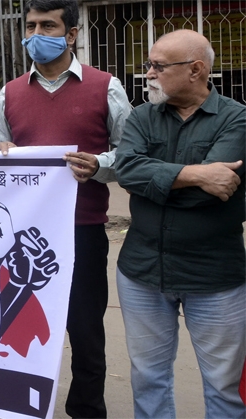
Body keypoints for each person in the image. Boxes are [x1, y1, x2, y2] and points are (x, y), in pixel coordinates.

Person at [0, 1, 132, 418]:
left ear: (70, 34)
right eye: (30, 25)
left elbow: (129, 154)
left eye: (47, 26)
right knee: (18, 324)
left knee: (85, 328)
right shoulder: (10, 91)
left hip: (82, 231)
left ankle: (87, 409)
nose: (36, 34)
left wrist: (100, 165)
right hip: (20, 236)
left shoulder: (106, 86)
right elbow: (2, 151)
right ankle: (24, 404)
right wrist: (2, 155)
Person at [114, 29, 246, 419]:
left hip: (214, 276)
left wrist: (161, 180)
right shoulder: (141, 116)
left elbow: (214, 190)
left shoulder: (236, 119)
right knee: (147, 378)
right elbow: (126, 170)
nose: (148, 74)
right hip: (141, 273)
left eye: (158, 66)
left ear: (196, 70)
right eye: (148, 65)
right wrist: (196, 174)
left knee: (224, 384)